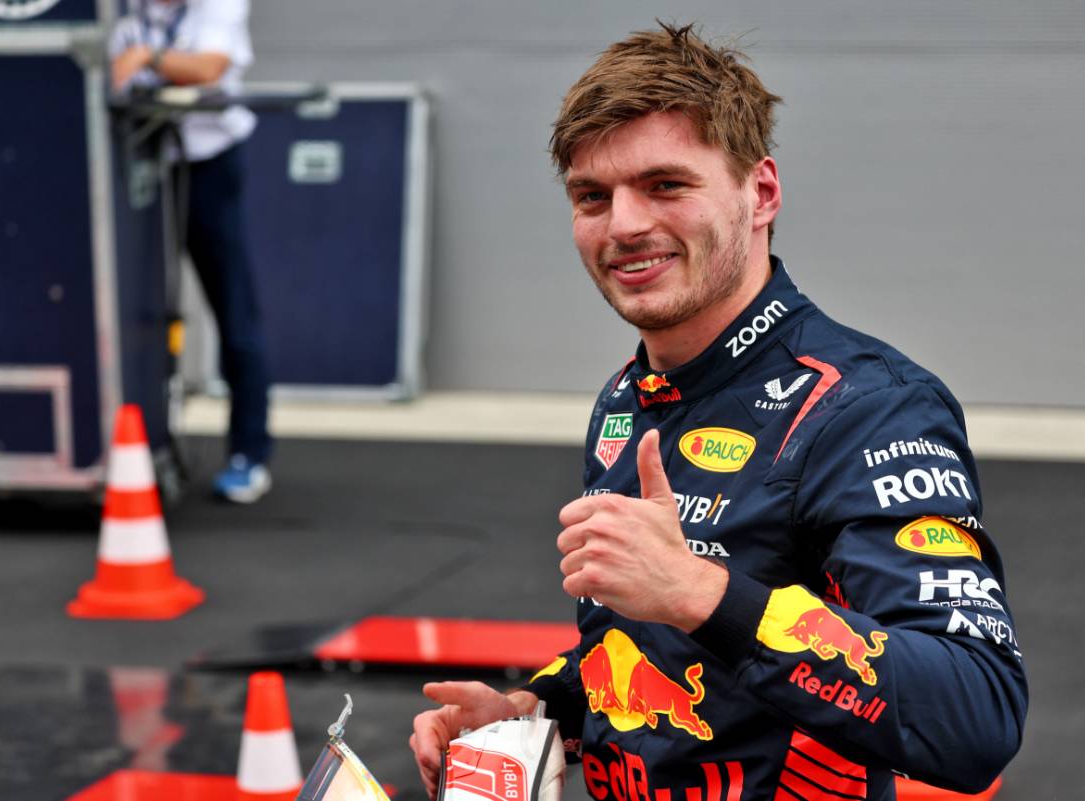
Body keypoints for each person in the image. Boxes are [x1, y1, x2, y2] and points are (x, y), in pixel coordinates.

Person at [411, 23, 1027, 801]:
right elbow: (656, 657)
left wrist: (700, 590)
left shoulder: (867, 407)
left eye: (665, 184)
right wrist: (534, 710)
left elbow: (978, 714)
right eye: (592, 197)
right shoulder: (627, 396)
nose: (624, 224)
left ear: (760, 193)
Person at [109, 0, 272, 503]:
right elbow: (104, 74)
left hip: (208, 169)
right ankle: (143, 446)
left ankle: (249, 455)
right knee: (136, 310)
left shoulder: (218, 6)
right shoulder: (119, 10)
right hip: (137, 160)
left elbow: (208, 69)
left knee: (235, 311)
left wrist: (149, 59)